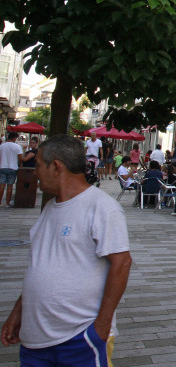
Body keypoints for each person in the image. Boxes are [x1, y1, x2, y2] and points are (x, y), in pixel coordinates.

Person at [1, 135, 132, 366]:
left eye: (39, 166)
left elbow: (122, 263)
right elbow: (40, 266)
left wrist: (101, 327)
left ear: (55, 166)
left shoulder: (102, 207)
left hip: (79, 338)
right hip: (34, 341)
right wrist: (18, 313)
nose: (35, 172)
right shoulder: (50, 208)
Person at [0, 132, 23, 207]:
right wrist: (20, 164)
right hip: (13, 168)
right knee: (10, 186)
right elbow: (20, 158)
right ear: (14, 138)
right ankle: (7, 203)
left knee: (2, 185)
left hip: (2, 167)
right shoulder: (17, 146)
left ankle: (0, 202)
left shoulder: (2, 146)